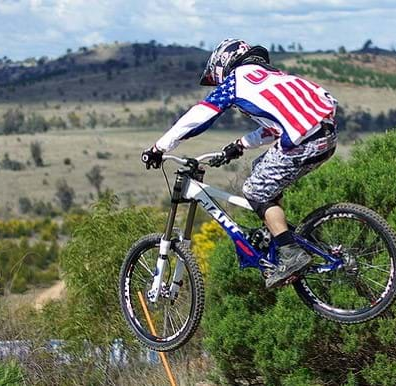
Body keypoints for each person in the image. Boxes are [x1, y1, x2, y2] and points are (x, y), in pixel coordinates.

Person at [141, 38, 338, 289]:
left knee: (254, 190)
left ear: (224, 63)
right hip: (326, 136)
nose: (219, 82)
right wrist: (240, 145)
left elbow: (200, 115)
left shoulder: (237, 80)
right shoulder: (271, 77)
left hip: (304, 142)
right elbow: (275, 126)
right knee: (260, 169)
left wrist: (160, 147)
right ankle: (277, 232)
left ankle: (290, 253)